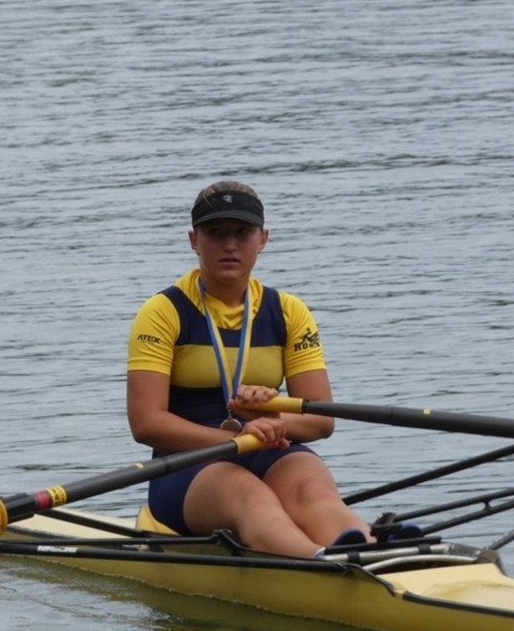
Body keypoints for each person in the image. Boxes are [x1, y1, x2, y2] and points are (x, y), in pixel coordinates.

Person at [126, 180, 371, 558]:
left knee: (315, 493)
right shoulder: (163, 313)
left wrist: (269, 418)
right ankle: (327, 565)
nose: (230, 244)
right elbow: (146, 423)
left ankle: (374, 554)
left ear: (263, 239)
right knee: (251, 496)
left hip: (267, 447)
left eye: (242, 232)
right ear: (194, 240)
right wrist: (238, 434)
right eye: (215, 233)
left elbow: (321, 419)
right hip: (185, 463)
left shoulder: (288, 312)